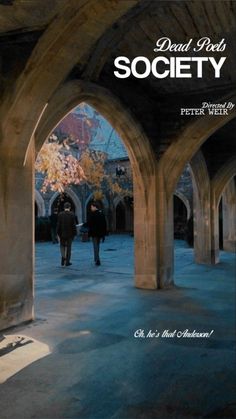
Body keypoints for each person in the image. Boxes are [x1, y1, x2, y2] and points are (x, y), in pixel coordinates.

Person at [56, 202, 77, 266]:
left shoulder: (60, 214)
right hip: (70, 234)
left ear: (64, 207)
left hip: (62, 234)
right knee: (69, 248)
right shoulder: (72, 214)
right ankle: (67, 262)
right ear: (69, 207)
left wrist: (57, 233)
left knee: (62, 246)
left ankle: (63, 259)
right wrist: (75, 233)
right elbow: (74, 225)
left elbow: (58, 225)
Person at [87, 201, 107, 266]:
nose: (91, 208)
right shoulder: (101, 214)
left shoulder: (92, 214)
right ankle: (96, 258)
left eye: (91, 207)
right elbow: (104, 224)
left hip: (94, 233)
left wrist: (83, 225)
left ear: (95, 207)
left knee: (95, 246)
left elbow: (89, 223)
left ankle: (97, 259)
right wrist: (104, 234)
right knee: (97, 246)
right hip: (100, 233)